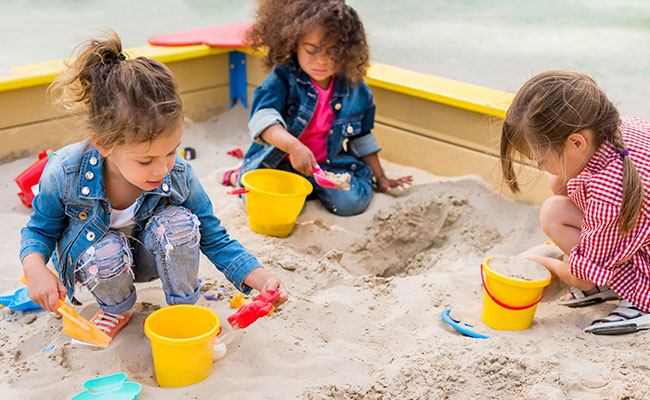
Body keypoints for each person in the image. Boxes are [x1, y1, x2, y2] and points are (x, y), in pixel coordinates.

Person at [20, 31, 288, 341]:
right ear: (104, 145)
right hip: (98, 263)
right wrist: (37, 270)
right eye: (146, 161)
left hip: (152, 256)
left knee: (179, 224)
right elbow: (39, 230)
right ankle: (116, 308)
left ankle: (183, 306)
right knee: (105, 251)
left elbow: (214, 236)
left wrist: (261, 278)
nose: (162, 169)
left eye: (172, 151)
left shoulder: (178, 174)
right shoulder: (64, 172)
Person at [223, 0, 413, 216]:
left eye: (332, 52)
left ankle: (311, 189)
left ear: (346, 50)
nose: (321, 61)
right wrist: (294, 147)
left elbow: (362, 137)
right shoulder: (283, 78)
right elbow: (263, 119)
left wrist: (381, 178)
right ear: (294, 43)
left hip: (326, 166)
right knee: (263, 204)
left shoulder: (355, 88)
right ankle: (237, 175)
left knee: (353, 203)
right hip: (280, 163)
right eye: (311, 50)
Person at [500, 70, 650, 334]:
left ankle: (641, 299)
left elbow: (580, 278)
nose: (540, 166)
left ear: (577, 142)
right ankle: (610, 279)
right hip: (638, 229)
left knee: (552, 213)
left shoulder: (607, 189)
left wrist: (542, 263)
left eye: (540, 160)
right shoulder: (622, 129)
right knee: (556, 196)